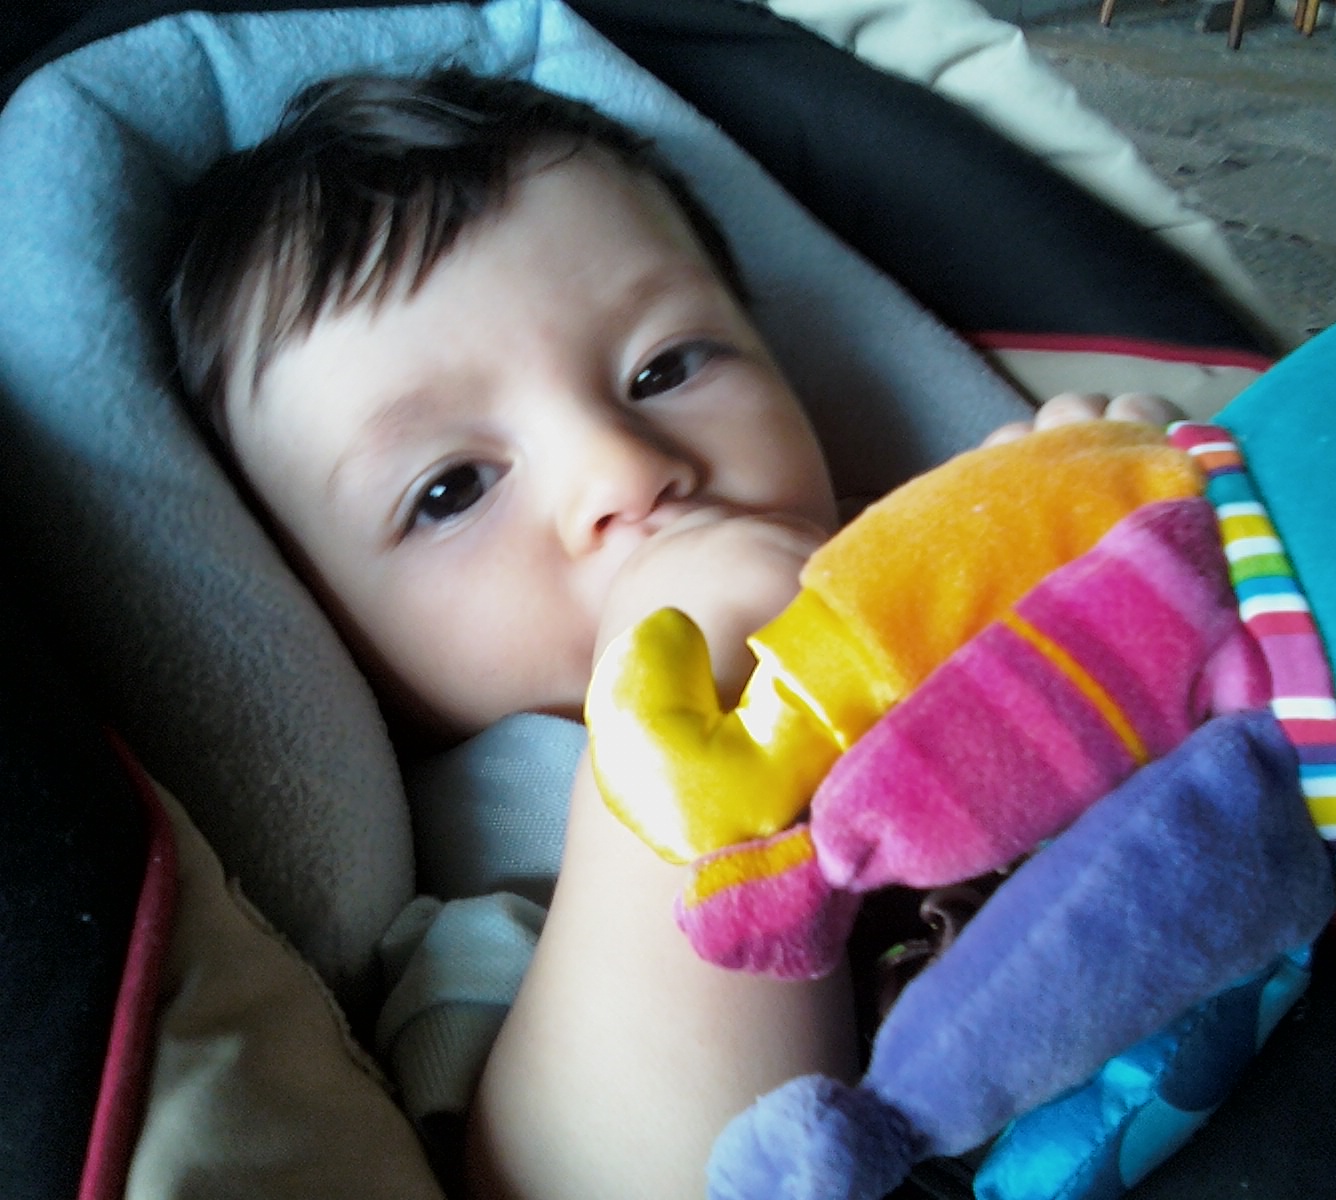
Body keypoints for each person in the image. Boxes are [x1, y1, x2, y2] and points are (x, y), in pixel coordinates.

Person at [165, 65, 1179, 1199]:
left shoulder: (922, 556)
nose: (624, 471)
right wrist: (671, 725)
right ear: (330, 630)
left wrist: (1114, 537)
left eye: (665, 367)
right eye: (451, 489)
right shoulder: (500, 865)